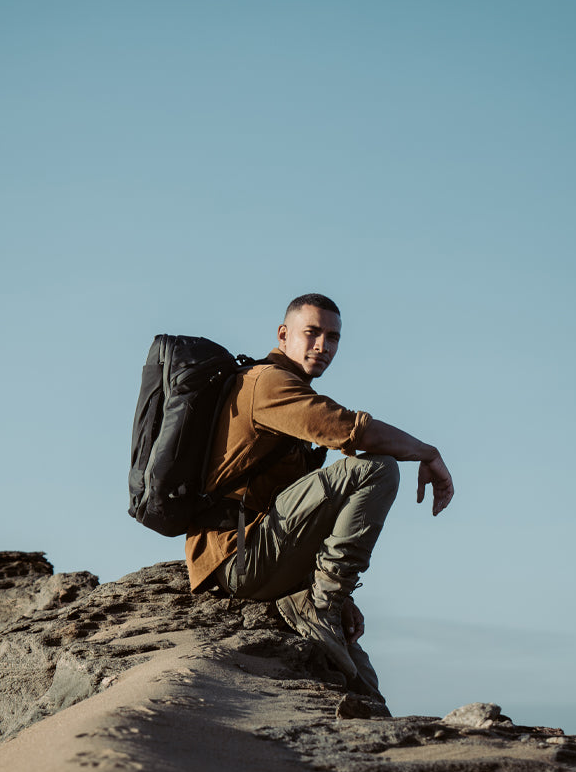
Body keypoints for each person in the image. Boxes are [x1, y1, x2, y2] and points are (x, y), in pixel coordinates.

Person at [185, 293, 454, 703]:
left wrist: (340, 594)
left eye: (333, 337)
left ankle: (328, 601)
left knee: (362, 685)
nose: (322, 346)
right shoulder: (268, 383)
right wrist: (427, 452)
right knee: (377, 468)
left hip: (266, 553)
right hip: (240, 557)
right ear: (283, 335)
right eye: (311, 333)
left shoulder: (288, 388)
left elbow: (310, 513)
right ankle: (321, 603)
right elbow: (351, 430)